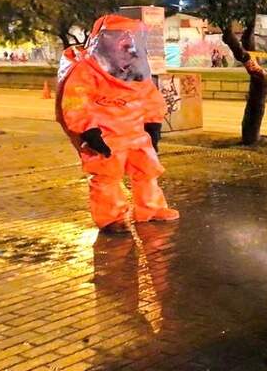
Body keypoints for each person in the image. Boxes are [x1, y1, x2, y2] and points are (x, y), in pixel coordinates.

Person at [57, 14, 179, 234]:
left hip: (135, 133)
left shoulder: (134, 68)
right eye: (119, 37)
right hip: (105, 134)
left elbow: (149, 95)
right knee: (106, 176)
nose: (127, 43)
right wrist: (87, 130)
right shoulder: (86, 70)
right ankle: (111, 218)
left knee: (147, 171)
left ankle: (150, 209)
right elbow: (75, 101)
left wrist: (153, 123)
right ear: (104, 40)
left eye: (130, 37)